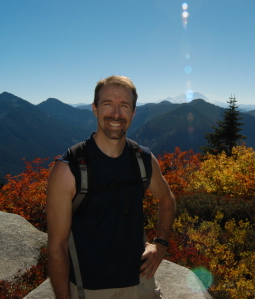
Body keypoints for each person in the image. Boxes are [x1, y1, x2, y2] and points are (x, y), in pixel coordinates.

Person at [46, 75, 176, 299]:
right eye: (108, 104)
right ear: (95, 109)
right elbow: (57, 246)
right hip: (89, 289)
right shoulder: (69, 169)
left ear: (133, 113)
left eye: (124, 106)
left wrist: (160, 245)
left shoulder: (143, 160)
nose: (116, 114)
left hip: (140, 282)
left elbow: (167, 199)